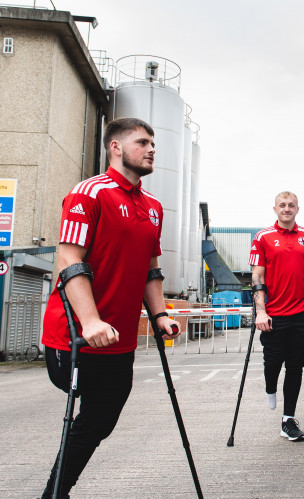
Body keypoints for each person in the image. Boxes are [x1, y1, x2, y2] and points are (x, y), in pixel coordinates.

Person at [40, 118, 180, 497]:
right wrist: (90, 321)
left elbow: (151, 270)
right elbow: (69, 258)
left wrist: (161, 314)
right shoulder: (90, 193)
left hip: (121, 338)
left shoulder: (153, 206)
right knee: (92, 417)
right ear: (115, 147)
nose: (152, 149)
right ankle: (56, 493)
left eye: (153, 143)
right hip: (76, 336)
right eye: (143, 142)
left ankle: (56, 490)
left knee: (101, 420)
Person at [248, 191, 304, 442]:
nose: (287, 209)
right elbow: (257, 277)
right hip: (274, 314)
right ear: (275, 209)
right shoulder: (263, 237)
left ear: (298, 209)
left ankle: (288, 419)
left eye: (291, 205)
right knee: (273, 363)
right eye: (283, 205)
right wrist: (261, 311)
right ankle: (271, 389)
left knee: (295, 367)